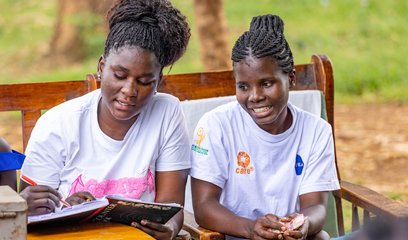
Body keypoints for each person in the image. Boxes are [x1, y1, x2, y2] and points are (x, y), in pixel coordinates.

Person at [19, 0, 191, 238]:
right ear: (102, 67)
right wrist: (60, 208)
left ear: (159, 80)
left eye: (145, 82)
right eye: (120, 75)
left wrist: (169, 229)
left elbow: (172, 207)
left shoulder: (167, 112)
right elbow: (30, 215)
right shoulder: (59, 124)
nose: (129, 91)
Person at [190, 14, 340, 240]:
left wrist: (301, 224)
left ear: (291, 78)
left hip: (286, 237)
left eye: (266, 83)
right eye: (243, 86)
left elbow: (316, 206)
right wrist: (251, 229)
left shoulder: (316, 131)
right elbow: (203, 206)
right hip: (235, 235)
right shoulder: (216, 125)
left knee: (321, 237)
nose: (255, 96)